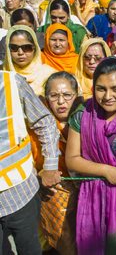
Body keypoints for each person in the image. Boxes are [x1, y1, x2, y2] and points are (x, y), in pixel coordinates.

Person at [66, 58, 116, 254]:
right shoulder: (83, 115)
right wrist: (105, 170)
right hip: (91, 203)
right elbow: (72, 159)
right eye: (101, 88)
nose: (108, 96)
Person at [0, 69, 61, 255]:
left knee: (30, 249)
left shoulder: (10, 82)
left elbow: (45, 122)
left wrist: (50, 166)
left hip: (20, 192)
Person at [38, 72, 82, 254]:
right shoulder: (38, 128)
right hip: (55, 191)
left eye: (67, 95)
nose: (61, 102)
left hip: (84, 187)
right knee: (66, 242)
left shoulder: (85, 121)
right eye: (54, 96)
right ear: (46, 99)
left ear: (76, 96)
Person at [2, 25, 56, 95]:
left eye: (27, 47)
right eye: (14, 48)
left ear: (35, 48)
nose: (20, 53)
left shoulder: (48, 75)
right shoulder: (2, 73)